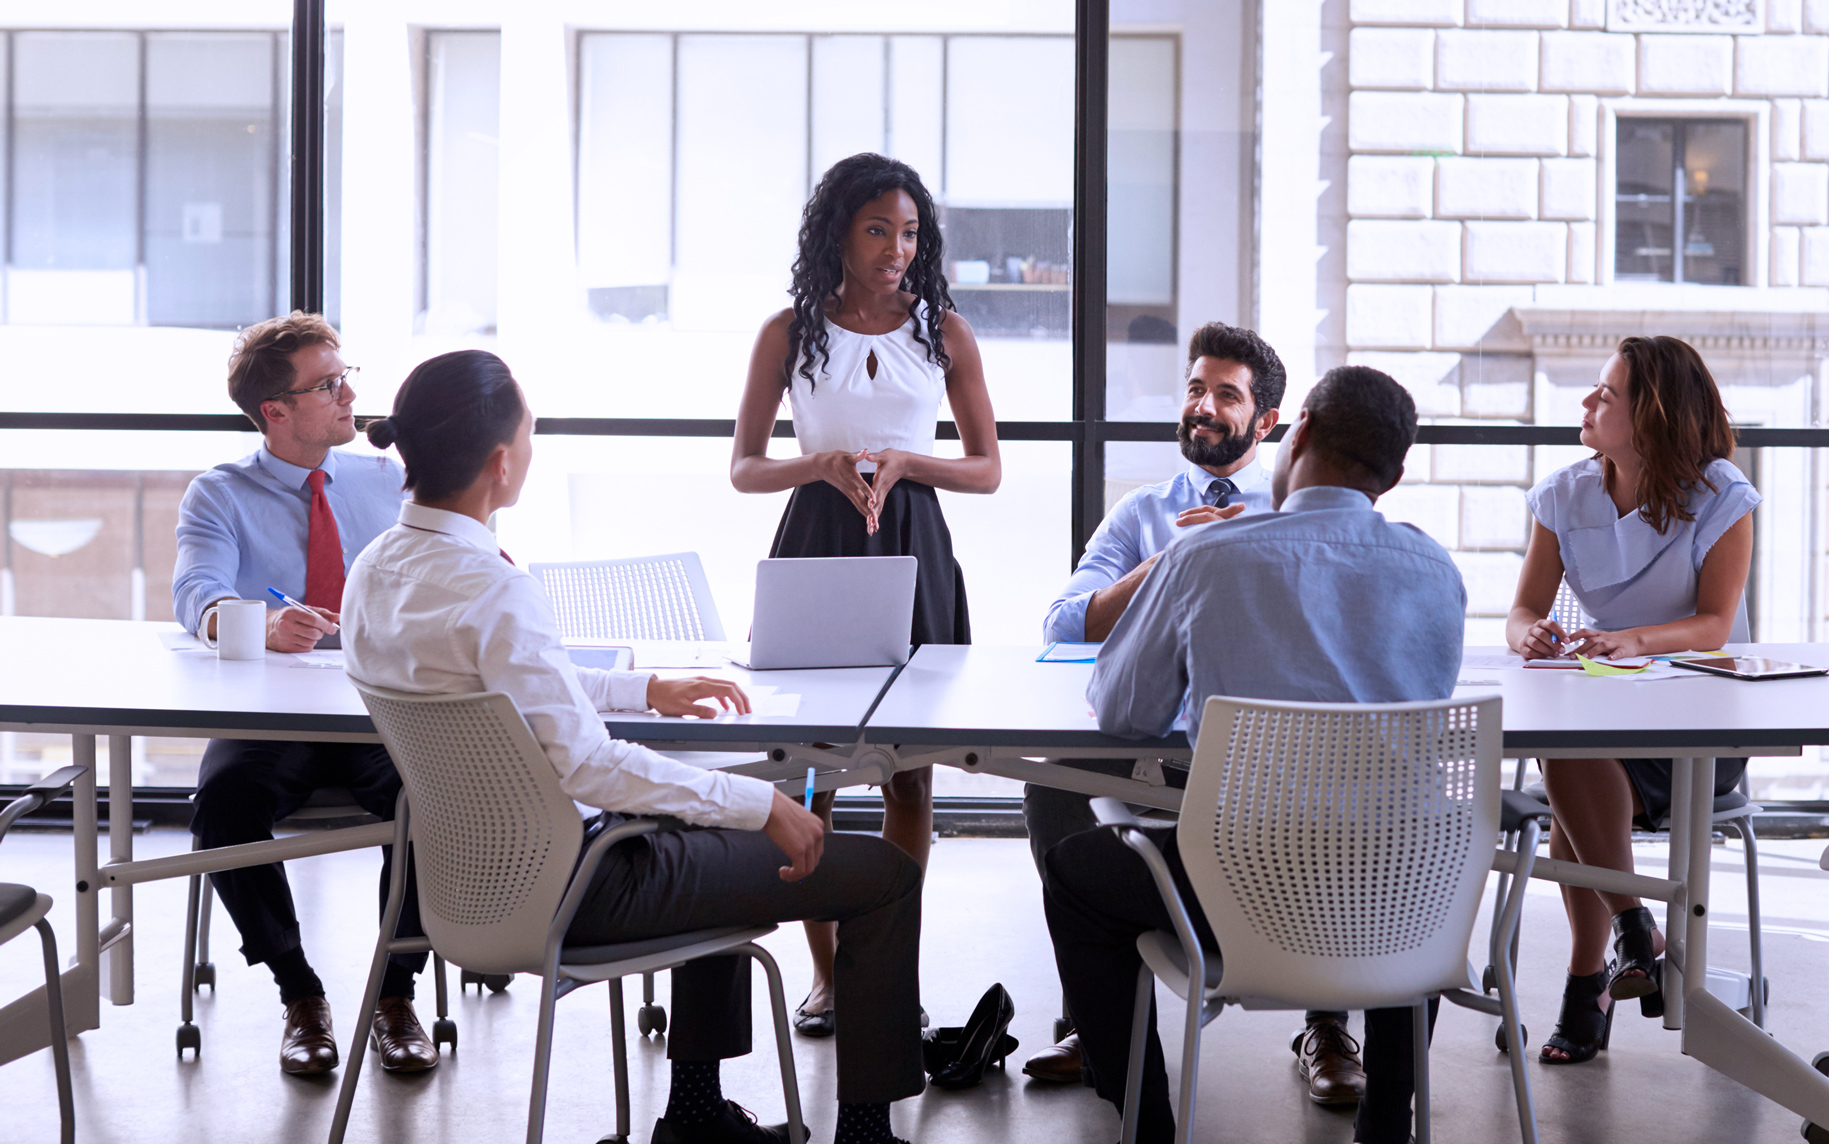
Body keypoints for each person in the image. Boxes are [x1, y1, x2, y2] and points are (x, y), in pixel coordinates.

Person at [346, 350, 925, 1144]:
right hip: (581, 888)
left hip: (467, 889)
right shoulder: (491, 585)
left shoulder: (376, 569)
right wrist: (766, 806)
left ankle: (696, 1115)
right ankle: (864, 1134)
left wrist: (641, 690)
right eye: (531, 437)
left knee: (704, 824)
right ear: (500, 461)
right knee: (882, 874)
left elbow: (500, 696)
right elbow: (589, 765)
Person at [1043, 365, 1467, 1144]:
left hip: (1238, 887)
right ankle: (1386, 1124)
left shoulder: (1206, 558)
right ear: (1395, 475)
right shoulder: (1437, 570)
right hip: (1400, 905)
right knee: (1408, 846)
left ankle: (1148, 1126)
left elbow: (1122, 713)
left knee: (1076, 874)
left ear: (1295, 429)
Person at [1024, 323, 1364, 1107]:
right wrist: (1169, 565)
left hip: (1279, 761)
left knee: (1329, 801)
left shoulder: (1296, 512)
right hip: (1157, 747)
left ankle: (1328, 1024)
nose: (1203, 407)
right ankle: (1095, 1011)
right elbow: (1066, 624)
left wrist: (1242, 552)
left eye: (1226, 395)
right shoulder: (1142, 512)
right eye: (1195, 389)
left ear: (1268, 422)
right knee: (1049, 788)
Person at [730, 152, 1000, 1038]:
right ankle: (830, 974)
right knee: (811, 775)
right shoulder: (787, 331)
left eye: (910, 232)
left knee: (910, 776)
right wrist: (821, 463)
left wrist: (907, 460)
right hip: (818, 540)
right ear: (839, 234)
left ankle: (891, 973)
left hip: (915, 543)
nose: (896, 249)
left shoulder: (945, 332)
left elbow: (988, 469)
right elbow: (742, 468)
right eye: (878, 229)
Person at [170, 312, 437, 1076]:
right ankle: (300, 994)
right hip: (272, 717)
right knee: (223, 804)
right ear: (276, 413)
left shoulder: (385, 479)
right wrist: (255, 621)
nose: (350, 393)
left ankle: (395, 995)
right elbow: (198, 593)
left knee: (439, 793)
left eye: (347, 375)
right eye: (329, 385)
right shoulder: (219, 495)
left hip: (378, 708)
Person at [1503, 335, 1760, 1065]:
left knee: (1572, 807)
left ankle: (1593, 976)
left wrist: (1635, 640)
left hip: (1699, 724)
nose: (1587, 404)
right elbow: (1521, 609)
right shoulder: (1564, 494)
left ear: (1651, 416)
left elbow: (1714, 623)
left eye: (1606, 395)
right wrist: (1533, 636)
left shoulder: (1721, 497)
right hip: (1604, 712)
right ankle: (1632, 929)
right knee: (1572, 758)